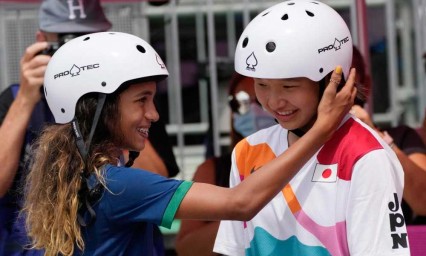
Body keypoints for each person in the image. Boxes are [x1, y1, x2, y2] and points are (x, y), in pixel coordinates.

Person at [21, 31, 355, 256]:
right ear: (99, 107)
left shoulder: (79, 178)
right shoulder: (119, 185)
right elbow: (241, 202)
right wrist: (321, 129)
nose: (153, 114)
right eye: (142, 100)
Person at [213, 1, 410, 255]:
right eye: (261, 85)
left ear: (332, 80)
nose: (273, 102)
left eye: (289, 86)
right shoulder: (247, 151)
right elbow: (232, 250)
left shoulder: (366, 156)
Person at [0, 0, 112, 254]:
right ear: (42, 41)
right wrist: (26, 98)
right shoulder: (15, 99)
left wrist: (109, 96)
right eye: (64, 42)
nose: (76, 54)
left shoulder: (127, 97)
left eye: (87, 41)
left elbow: (155, 178)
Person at [175, 73, 276, 255]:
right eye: (240, 103)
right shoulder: (214, 170)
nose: (252, 110)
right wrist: (243, 210)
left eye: (260, 101)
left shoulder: (310, 162)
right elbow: (186, 248)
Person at [350, 46, 426, 225]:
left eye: (346, 80)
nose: (334, 92)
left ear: (366, 84)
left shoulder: (402, 137)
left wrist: (375, 136)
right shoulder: (292, 143)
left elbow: (423, 200)